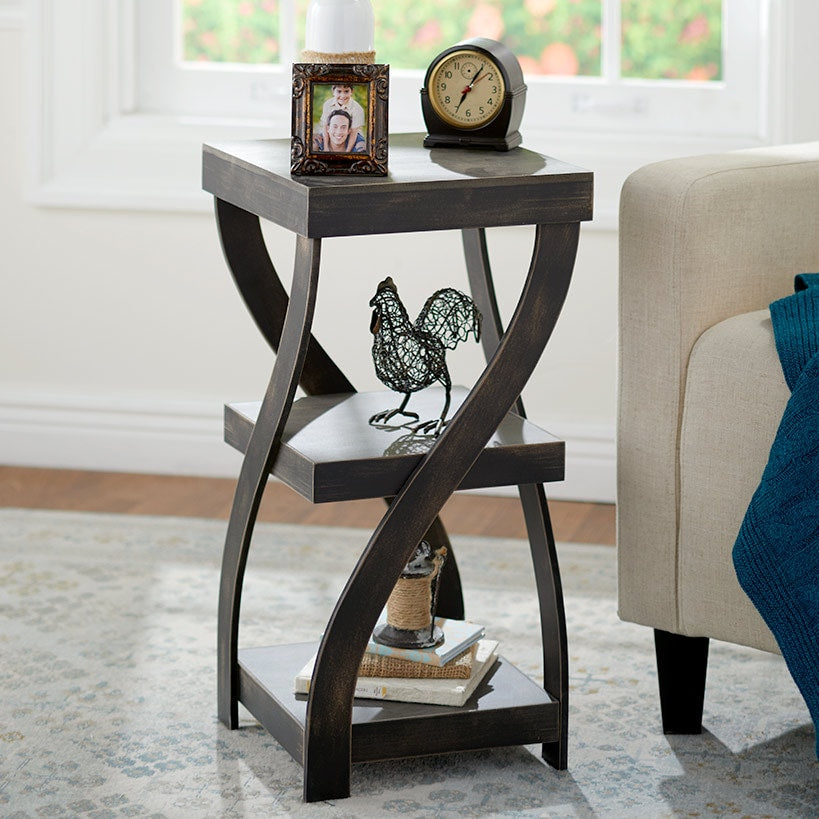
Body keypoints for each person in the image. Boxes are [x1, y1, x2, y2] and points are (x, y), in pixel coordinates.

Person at [318, 84, 365, 152]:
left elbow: (354, 132)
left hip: (353, 134)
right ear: (333, 91)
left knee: (361, 147)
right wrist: (326, 147)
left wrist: (347, 152)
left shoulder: (357, 108)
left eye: (346, 91)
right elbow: (325, 126)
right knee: (315, 142)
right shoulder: (327, 104)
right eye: (339, 91)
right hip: (331, 131)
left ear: (351, 92)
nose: (342, 96)